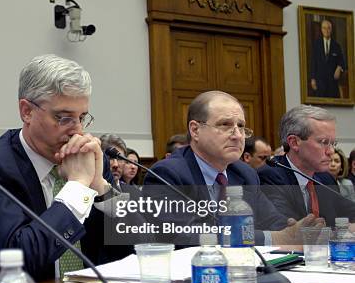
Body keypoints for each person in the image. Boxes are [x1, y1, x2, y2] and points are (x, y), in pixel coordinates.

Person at [0, 55, 127, 280]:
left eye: (82, 118)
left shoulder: (92, 161)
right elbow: (20, 260)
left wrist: (101, 189)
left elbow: (139, 248)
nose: (77, 131)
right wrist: (77, 187)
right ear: (26, 111)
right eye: (64, 118)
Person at [144, 91, 321, 246]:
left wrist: (299, 230)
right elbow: (185, 237)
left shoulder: (244, 173)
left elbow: (271, 220)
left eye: (241, 127)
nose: (237, 135)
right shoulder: (167, 175)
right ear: (195, 130)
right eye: (225, 125)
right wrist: (274, 238)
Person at [258, 105, 355, 226]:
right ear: (294, 143)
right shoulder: (270, 176)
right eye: (323, 142)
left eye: (333, 143)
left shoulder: (325, 178)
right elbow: (289, 228)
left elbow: (349, 212)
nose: (331, 151)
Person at [310, 19, 346, 98]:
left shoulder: (337, 46)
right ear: (321, 29)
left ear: (331, 29)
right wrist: (313, 79)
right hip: (320, 83)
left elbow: (343, 62)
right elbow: (313, 62)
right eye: (324, 28)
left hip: (332, 84)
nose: (326, 30)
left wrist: (339, 67)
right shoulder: (316, 44)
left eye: (328, 28)